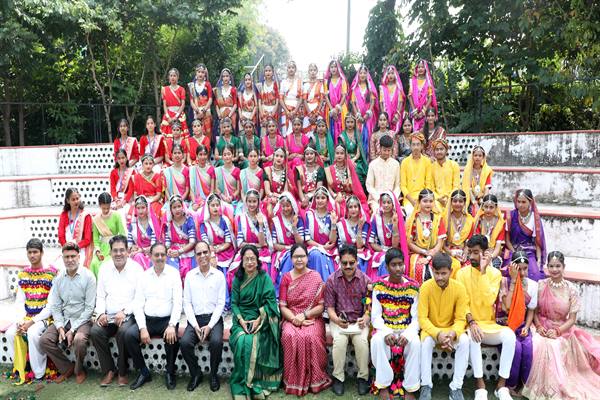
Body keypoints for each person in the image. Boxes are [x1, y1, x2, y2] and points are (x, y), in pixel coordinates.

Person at [523, 251, 600, 400]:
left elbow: (572, 319)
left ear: (564, 267)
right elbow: (534, 311)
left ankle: (554, 388)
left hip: (562, 330)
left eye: (558, 266)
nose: (554, 269)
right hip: (541, 326)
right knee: (537, 343)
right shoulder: (541, 285)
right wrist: (539, 327)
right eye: (551, 266)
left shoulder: (571, 289)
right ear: (547, 267)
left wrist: (557, 331)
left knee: (552, 346)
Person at [456, 235, 516, 400]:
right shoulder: (461, 273)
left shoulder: (494, 274)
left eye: (476, 252)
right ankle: (480, 386)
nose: (472, 256)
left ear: (486, 254)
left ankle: (501, 386)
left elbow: (489, 300)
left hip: (489, 324)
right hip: (470, 323)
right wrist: (471, 322)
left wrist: (483, 272)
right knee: (474, 336)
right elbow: (462, 304)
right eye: (470, 252)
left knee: (510, 336)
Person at [125, 243, 182, 390]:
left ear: (166, 256)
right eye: (156, 255)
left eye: (163, 254)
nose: (160, 257)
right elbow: (138, 304)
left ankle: (170, 372)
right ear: (150, 256)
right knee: (129, 335)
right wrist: (142, 328)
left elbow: (178, 303)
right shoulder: (144, 277)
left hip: (167, 320)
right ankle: (144, 372)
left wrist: (172, 325)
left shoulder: (174, 274)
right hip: (149, 320)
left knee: (172, 338)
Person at [230, 245, 282, 399]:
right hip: (241, 319)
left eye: (252, 259)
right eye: (246, 259)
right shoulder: (237, 279)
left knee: (253, 341)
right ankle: (243, 384)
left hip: (260, 319)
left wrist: (259, 319)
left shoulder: (264, 278)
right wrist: (241, 321)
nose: (250, 262)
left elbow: (271, 303)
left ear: (257, 260)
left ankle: (254, 383)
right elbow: (234, 304)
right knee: (241, 342)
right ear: (242, 261)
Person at [90, 236, 143, 387]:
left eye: (122, 250)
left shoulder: (136, 269)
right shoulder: (104, 268)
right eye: (115, 251)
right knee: (96, 331)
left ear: (127, 251)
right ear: (110, 252)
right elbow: (100, 296)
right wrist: (101, 313)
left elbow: (140, 298)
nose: (118, 254)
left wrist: (125, 311)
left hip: (129, 314)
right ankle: (109, 370)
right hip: (109, 315)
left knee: (123, 332)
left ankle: (122, 371)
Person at [279, 243, 332, 396]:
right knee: (289, 335)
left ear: (307, 258)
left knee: (311, 336)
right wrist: (295, 319)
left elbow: (321, 306)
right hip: (291, 317)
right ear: (291, 258)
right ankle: (292, 381)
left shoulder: (315, 277)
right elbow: (282, 306)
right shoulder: (286, 278)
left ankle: (315, 379)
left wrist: (305, 315)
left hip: (312, 317)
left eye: (302, 256)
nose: (299, 259)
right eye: (296, 256)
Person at [40, 242, 96, 384]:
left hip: (83, 319)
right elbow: (55, 306)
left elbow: (89, 309)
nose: (70, 260)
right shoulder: (59, 278)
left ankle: (79, 370)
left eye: (73, 256)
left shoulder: (88, 277)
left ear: (79, 257)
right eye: (66, 257)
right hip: (65, 319)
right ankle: (67, 368)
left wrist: (72, 330)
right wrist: (60, 327)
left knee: (79, 340)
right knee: (44, 340)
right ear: (62, 258)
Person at [371, 248, 421, 400]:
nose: (398, 268)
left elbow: (416, 318)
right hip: (385, 328)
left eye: (401, 264)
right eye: (394, 265)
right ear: (387, 267)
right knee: (377, 341)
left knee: (415, 343)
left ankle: (410, 387)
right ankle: (383, 385)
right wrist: (386, 332)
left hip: (406, 329)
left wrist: (408, 334)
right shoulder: (379, 286)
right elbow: (376, 316)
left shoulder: (412, 287)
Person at [418, 252, 469, 400]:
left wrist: (453, 334)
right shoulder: (425, 287)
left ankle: (456, 387)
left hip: (451, 330)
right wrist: (438, 334)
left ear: (451, 272)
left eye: (443, 273)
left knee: (464, 341)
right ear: (432, 271)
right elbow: (422, 319)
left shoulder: (459, 288)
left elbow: (461, 319)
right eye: (436, 273)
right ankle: (426, 385)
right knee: (426, 342)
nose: (439, 277)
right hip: (431, 331)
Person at [6, 239, 57, 384]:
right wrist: (20, 321)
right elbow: (19, 302)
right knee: (11, 333)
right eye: (30, 252)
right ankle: (21, 368)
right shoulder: (23, 275)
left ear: (42, 253)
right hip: (27, 316)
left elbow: (50, 306)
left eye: (35, 252)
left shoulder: (51, 274)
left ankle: (39, 373)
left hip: (45, 317)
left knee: (33, 333)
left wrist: (31, 322)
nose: (32, 255)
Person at [324, 244, 371, 396]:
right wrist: (337, 320)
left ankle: (363, 378)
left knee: (361, 342)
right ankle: (338, 378)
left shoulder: (365, 280)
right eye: (344, 263)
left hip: (358, 322)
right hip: (339, 321)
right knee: (339, 342)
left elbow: (369, 306)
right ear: (339, 262)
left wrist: (366, 317)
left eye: (351, 262)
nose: (348, 266)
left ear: (357, 261)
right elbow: (330, 308)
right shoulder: (332, 280)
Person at [180, 241, 226, 392]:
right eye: (199, 253)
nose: (203, 256)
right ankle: (196, 374)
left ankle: (213, 375)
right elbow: (187, 303)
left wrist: (210, 326)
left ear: (210, 253)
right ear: (195, 256)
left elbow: (220, 304)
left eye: (205, 252)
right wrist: (195, 326)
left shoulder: (219, 275)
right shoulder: (190, 276)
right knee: (185, 343)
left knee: (216, 342)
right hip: (195, 319)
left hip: (214, 319)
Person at [496, 251, 538, 396]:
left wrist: (526, 326)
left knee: (528, 347)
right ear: (512, 268)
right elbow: (507, 308)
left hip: (521, 325)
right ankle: (510, 384)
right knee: (516, 348)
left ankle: (524, 385)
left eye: (525, 268)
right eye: (519, 269)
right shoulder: (504, 282)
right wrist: (513, 281)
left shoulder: (532, 285)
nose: (522, 272)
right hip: (505, 324)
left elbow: (531, 310)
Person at [405, 189, 448, 284]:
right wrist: (423, 252)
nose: (428, 204)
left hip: (435, 251)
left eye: (431, 201)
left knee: (437, 266)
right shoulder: (413, 219)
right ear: (419, 202)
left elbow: (440, 242)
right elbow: (410, 243)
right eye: (425, 201)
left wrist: (430, 256)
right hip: (417, 251)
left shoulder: (438, 218)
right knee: (419, 267)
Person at [229, 190, 271, 283]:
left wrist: (260, 225)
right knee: (236, 268)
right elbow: (240, 243)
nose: (252, 204)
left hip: (261, 251)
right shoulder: (241, 218)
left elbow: (262, 243)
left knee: (262, 267)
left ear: (258, 202)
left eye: (254, 201)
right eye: (249, 201)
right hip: (245, 250)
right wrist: (255, 245)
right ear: (246, 202)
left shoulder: (262, 218)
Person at [505, 189, 547, 281]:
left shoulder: (534, 218)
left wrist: (538, 260)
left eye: (523, 202)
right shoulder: (510, 216)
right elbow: (507, 240)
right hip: (513, 250)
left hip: (529, 251)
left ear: (530, 202)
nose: (520, 205)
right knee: (510, 273)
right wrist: (515, 253)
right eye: (518, 201)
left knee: (535, 275)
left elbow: (537, 242)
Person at [369, 191, 409, 280]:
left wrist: (395, 225)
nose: (386, 205)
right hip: (381, 250)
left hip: (396, 250)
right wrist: (384, 250)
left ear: (393, 204)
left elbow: (395, 245)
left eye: (388, 202)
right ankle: (384, 283)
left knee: (392, 259)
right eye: (384, 202)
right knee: (384, 259)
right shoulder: (376, 218)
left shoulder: (399, 217)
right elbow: (371, 242)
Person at [270, 192, 304, 291]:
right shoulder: (276, 221)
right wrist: (288, 248)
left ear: (292, 206)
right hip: (281, 251)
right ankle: (283, 290)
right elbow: (275, 245)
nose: (285, 209)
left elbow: (300, 243)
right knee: (289, 256)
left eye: (288, 206)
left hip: (297, 249)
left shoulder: (298, 219)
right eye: (283, 206)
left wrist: (294, 227)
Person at [198, 193, 236, 281]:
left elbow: (228, 241)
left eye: (217, 205)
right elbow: (205, 243)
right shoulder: (204, 223)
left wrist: (218, 249)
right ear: (208, 207)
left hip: (225, 251)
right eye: (212, 205)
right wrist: (212, 253)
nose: (215, 208)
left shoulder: (225, 220)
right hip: (209, 251)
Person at [304, 187, 339, 282]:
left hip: (330, 249)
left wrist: (333, 224)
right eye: (318, 198)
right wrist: (322, 247)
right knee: (317, 255)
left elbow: (332, 240)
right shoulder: (309, 215)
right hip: (314, 247)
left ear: (327, 200)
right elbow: (307, 240)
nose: (320, 200)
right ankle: (319, 284)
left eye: (323, 198)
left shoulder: (331, 215)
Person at [325, 143, 368, 217]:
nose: (339, 155)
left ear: (345, 155)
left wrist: (347, 187)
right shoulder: (329, 169)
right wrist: (335, 196)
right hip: (335, 197)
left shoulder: (349, 168)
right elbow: (329, 188)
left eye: (341, 153)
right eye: (337, 153)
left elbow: (355, 187)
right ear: (334, 155)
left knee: (355, 209)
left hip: (349, 197)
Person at [89, 192, 126, 278]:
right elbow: (95, 239)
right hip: (102, 248)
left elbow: (122, 234)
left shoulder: (116, 215)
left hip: (114, 247)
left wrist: (118, 247)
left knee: (106, 264)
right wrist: (98, 251)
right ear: (100, 205)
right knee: (94, 263)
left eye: (108, 208)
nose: (106, 210)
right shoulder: (96, 219)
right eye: (103, 208)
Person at [164, 195, 197, 280]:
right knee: (171, 267)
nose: (177, 209)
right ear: (170, 209)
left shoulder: (189, 220)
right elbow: (167, 242)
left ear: (183, 207)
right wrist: (168, 250)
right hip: (173, 251)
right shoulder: (169, 223)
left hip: (188, 251)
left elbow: (192, 242)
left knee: (186, 268)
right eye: (174, 207)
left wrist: (179, 251)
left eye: (179, 206)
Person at [57, 188, 93, 268]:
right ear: (68, 201)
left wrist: (75, 247)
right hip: (66, 248)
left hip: (80, 249)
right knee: (57, 267)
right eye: (73, 199)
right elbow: (61, 235)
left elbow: (87, 239)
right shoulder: (64, 215)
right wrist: (66, 246)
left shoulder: (85, 216)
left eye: (77, 198)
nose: (76, 201)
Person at [366, 135, 401, 213]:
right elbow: (369, 185)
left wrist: (392, 198)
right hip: (376, 199)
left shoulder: (396, 164)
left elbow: (398, 185)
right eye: (384, 150)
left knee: (398, 213)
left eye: (389, 150)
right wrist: (379, 198)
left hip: (392, 199)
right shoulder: (373, 164)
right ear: (380, 148)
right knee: (377, 212)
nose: (387, 153)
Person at [337, 196, 371, 273]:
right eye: (350, 207)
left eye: (355, 207)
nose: (353, 209)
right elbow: (339, 245)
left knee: (358, 260)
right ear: (347, 209)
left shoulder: (364, 223)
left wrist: (360, 228)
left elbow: (360, 245)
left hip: (360, 254)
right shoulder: (341, 224)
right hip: (344, 252)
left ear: (359, 208)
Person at [400, 133, 432, 215]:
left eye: (418, 144)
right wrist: (412, 200)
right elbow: (403, 186)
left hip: (424, 197)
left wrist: (421, 199)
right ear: (410, 146)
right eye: (413, 145)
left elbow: (428, 184)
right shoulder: (405, 162)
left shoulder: (427, 161)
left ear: (422, 146)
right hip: (409, 199)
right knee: (410, 212)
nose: (416, 147)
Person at [443, 189, 475, 271]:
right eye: (455, 201)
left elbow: (468, 242)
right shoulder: (444, 218)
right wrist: (452, 253)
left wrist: (465, 253)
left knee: (468, 268)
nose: (457, 204)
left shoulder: (470, 220)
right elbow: (442, 244)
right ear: (451, 202)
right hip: (447, 251)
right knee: (454, 265)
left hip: (463, 251)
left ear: (464, 203)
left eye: (460, 201)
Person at [350, 64, 378, 157]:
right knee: (359, 136)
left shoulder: (370, 87)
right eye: (360, 73)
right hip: (358, 118)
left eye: (364, 73)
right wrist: (358, 115)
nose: (362, 75)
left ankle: (369, 157)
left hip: (368, 118)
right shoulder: (355, 88)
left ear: (367, 75)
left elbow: (373, 101)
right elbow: (353, 103)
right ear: (358, 74)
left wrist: (367, 114)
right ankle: (359, 157)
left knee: (369, 136)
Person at [473, 194, 506, 268]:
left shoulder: (500, 223)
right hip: (479, 252)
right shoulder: (478, 221)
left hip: (493, 253)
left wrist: (491, 256)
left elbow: (498, 247)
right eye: (486, 207)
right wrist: (482, 255)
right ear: (482, 207)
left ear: (496, 208)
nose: (488, 210)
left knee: (494, 266)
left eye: (491, 207)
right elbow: (476, 243)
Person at [127, 196, 159, 269]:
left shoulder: (152, 223)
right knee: (136, 257)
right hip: (137, 251)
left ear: (147, 208)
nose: (140, 211)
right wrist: (131, 248)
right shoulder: (133, 223)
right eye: (138, 208)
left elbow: (154, 245)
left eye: (143, 208)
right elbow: (129, 242)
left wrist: (142, 250)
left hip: (151, 252)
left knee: (139, 256)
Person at [461, 145, 493, 215]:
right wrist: (474, 203)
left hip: (483, 198)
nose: (477, 157)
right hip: (470, 198)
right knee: (472, 211)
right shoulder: (468, 170)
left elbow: (487, 188)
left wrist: (484, 202)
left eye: (480, 155)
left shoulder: (487, 170)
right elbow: (467, 188)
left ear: (483, 157)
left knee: (489, 210)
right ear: (472, 157)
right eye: (475, 155)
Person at [338, 114, 368, 187]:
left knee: (358, 170)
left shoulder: (357, 134)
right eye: (348, 122)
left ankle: (359, 191)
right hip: (344, 159)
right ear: (345, 123)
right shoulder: (342, 135)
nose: (350, 124)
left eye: (352, 122)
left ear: (354, 123)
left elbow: (359, 151)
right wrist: (349, 161)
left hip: (356, 159)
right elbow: (342, 151)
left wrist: (353, 160)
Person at [429, 139, 460, 210]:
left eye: (441, 149)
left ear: (446, 150)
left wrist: (448, 198)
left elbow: (456, 186)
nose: (439, 152)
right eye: (437, 149)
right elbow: (431, 188)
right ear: (434, 152)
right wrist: (439, 198)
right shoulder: (431, 167)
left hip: (452, 198)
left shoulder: (454, 165)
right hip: (436, 200)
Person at [324, 60, 349, 144]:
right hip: (330, 109)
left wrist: (337, 109)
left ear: (338, 68)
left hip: (341, 108)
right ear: (329, 69)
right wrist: (332, 110)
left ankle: (342, 148)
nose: (333, 69)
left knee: (342, 128)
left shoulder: (342, 80)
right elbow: (326, 97)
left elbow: (344, 95)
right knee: (331, 130)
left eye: (335, 67)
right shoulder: (326, 81)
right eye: (331, 67)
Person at [408, 59, 437, 132]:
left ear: (425, 69)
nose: (420, 69)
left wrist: (423, 112)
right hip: (415, 111)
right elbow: (410, 96)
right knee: (416, 132)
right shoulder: (412, 81)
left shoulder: (428, 82)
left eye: (422, 67)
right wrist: (414, 112)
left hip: (425, 111)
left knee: (425, 131)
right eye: (419, 67)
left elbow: (430, 97)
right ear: (416, 69)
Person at [188, 64, 213, 143]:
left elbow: (210, 99)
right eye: (199, 72)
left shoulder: (207, 84)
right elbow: (191, 101)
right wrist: (197, 111)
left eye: (202, 72)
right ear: (196, 73)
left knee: (208, 132)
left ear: (205, 74)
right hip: (196, 112)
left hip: (206, 111)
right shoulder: (192, 86)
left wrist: (204, 110)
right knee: (196, 131)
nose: (200, 74)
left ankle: (207, 149)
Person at [296, 144, 326, 210]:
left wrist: (309, 197)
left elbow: (319, 188)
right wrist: (303, 200)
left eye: (311, 154)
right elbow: (299, 189)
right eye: (307, 154)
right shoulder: (299, 169)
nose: (309, 156)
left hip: (316, 198)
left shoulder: (320, 169)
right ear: (304, 156)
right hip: (302, 198)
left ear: (315, 155)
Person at [161, 68, 188, 136]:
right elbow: (164, 105)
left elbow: (183, 104)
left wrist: (176, 116)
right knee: (167, 137)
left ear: (178, 77)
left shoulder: (181, 89)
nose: (172, 77)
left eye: (174, 75)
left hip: (179, 114)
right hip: (168, 114)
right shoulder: (164, 89)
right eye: (171, 75)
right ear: (168, 77)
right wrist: (168, 117)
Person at [379, 65, 406, 134]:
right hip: (386, 115)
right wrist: (384, 115)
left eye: (392, 73)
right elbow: (381, 103)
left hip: (396, 115)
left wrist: (397, 115)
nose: (390, 75)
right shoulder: (382, 88)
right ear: (386, 75)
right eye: (389, 73)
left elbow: (401, 102)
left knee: (395, 133)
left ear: (395, 75)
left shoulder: (398, 87)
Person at [279, 60, 303, 137]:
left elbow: (301, 97)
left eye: (293, 67)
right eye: (289, 67)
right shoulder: (283, 82)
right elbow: (280, 98)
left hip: (296, 109)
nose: (291, 69)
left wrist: (295, 111)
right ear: (287, 69)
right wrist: (287, 111)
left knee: (296, 131)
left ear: (295, 69)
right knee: (285, 131)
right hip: (285, 109)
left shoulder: (299, 82)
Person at [188, 144, 215, 211]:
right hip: (196, 201)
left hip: (209, 201)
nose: (203, 157)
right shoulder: (192, 170)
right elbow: (192, 190)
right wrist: (194, 203)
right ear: (197, 156)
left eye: (205, 154)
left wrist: (207, 202)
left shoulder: (211, 169)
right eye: (200, 154)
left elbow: (212, 190)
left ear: (207, 155)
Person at [263, 147, 289, 217]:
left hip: (282, 198)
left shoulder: (287, 172)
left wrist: (279, 197)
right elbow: (267, 191)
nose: (279, 158)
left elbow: (286, 191)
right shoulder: (267, 170)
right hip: (270, 197)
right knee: (269, 206)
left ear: (284, 159)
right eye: (277, 156)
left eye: (281, 156)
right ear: (273, 157)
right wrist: (273, 196)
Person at [214, 144, 241, 210]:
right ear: (222, 156)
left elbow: (238, 189)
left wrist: (231, 197)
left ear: (233, 155)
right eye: (225, 155)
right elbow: (216, 188)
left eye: (229, 154)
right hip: (221, 201)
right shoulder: (217, 170)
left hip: (234, 201)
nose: (227, 157)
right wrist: (223, 197)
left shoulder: (237, 170)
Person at [302, 63, 326, 136]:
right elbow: (304, 100)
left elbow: (321, 100)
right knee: (307, 133)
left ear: (317, 71)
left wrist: (316, 113)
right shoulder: (306, 85)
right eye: (311, 70)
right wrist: (309, 113)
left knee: (319, 132)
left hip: (318, 111)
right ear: (308, 72)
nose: (313, 72)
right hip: (307, 111)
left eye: (314, 70)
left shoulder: (320, 84)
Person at [257, 64, 280, 136]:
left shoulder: (276, 84)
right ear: (264, 72)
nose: (268, 72)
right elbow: (259, 101)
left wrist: (272, 113)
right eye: (266, 71)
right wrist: (262, 114)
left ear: (273, 72)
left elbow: (277, 101)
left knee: (273, 132)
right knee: (264, 133)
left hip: (273, 111)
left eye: (269, 70)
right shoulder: (260, 85)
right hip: (263, 111)